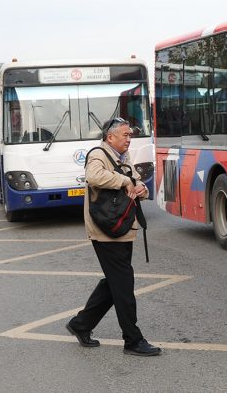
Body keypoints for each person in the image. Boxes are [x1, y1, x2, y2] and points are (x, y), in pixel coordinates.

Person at [66, 118, 161, 357]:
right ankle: (133, 339)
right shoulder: (98, 154)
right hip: (106, 229)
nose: (129, 139)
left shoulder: (123, 157)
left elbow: (136, 180)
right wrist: (126, 181)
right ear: (110, 137)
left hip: (122, 226)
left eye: (130, 135)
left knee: (113, 282)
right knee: (123, 284)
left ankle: (81, 324)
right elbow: (94, 177)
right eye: (125, 135)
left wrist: (142, 188)